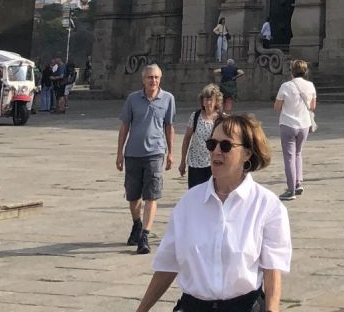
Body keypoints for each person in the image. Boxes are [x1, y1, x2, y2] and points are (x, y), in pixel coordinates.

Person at [133, 112, 292, 312]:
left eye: (226, 146)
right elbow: (168, 264)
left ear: (248, 153)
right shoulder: (188, 204)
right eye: (211, 144)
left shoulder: (268, 206)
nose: (216, 151)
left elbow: (272, 270)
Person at [117, 63, 176, 255]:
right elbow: (125, 126)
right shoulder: (133, 99)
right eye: (150, 77)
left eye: (157, 78)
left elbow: (169, 126)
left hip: (155, 152)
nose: (154, 81)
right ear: (143, 79)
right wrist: (119, 153)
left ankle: (145, 234)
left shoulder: (168, 99)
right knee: (133, 195)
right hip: (133, 152)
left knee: (151, 195)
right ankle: (137, 223)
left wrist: (170, 152)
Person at [273, 59, 317, 200]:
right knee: (298, 153)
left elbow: (277, 107)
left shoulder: (286, 86)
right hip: (304, 124)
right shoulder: (310, 86)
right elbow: (312, 106)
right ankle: (298, 183)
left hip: (288, 124)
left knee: (289, 157)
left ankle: (291, 189)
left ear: (291, 71)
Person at [178, 84, 224, 190]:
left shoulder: (221, 119)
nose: (208, 103)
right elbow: (186, 139)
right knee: (195, 195)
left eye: (211, 100)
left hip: (213, 163)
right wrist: (182, 161)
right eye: (205, 99)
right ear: (202, 101)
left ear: (216, 101)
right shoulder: (195, 116)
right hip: (195, 164)